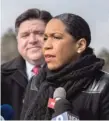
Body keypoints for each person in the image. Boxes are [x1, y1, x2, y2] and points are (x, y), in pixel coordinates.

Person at [21, 13, 109, 120]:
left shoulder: (103, 86)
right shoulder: (35, 83)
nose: (47, 46)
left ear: (80, 45)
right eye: (45, 38)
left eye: (56, 37)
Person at [1, 8, 52, 120]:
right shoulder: (2, 76)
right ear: (18, 40)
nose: (32, 40)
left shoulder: (73, 76)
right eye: (25, 35)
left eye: (39, 33)